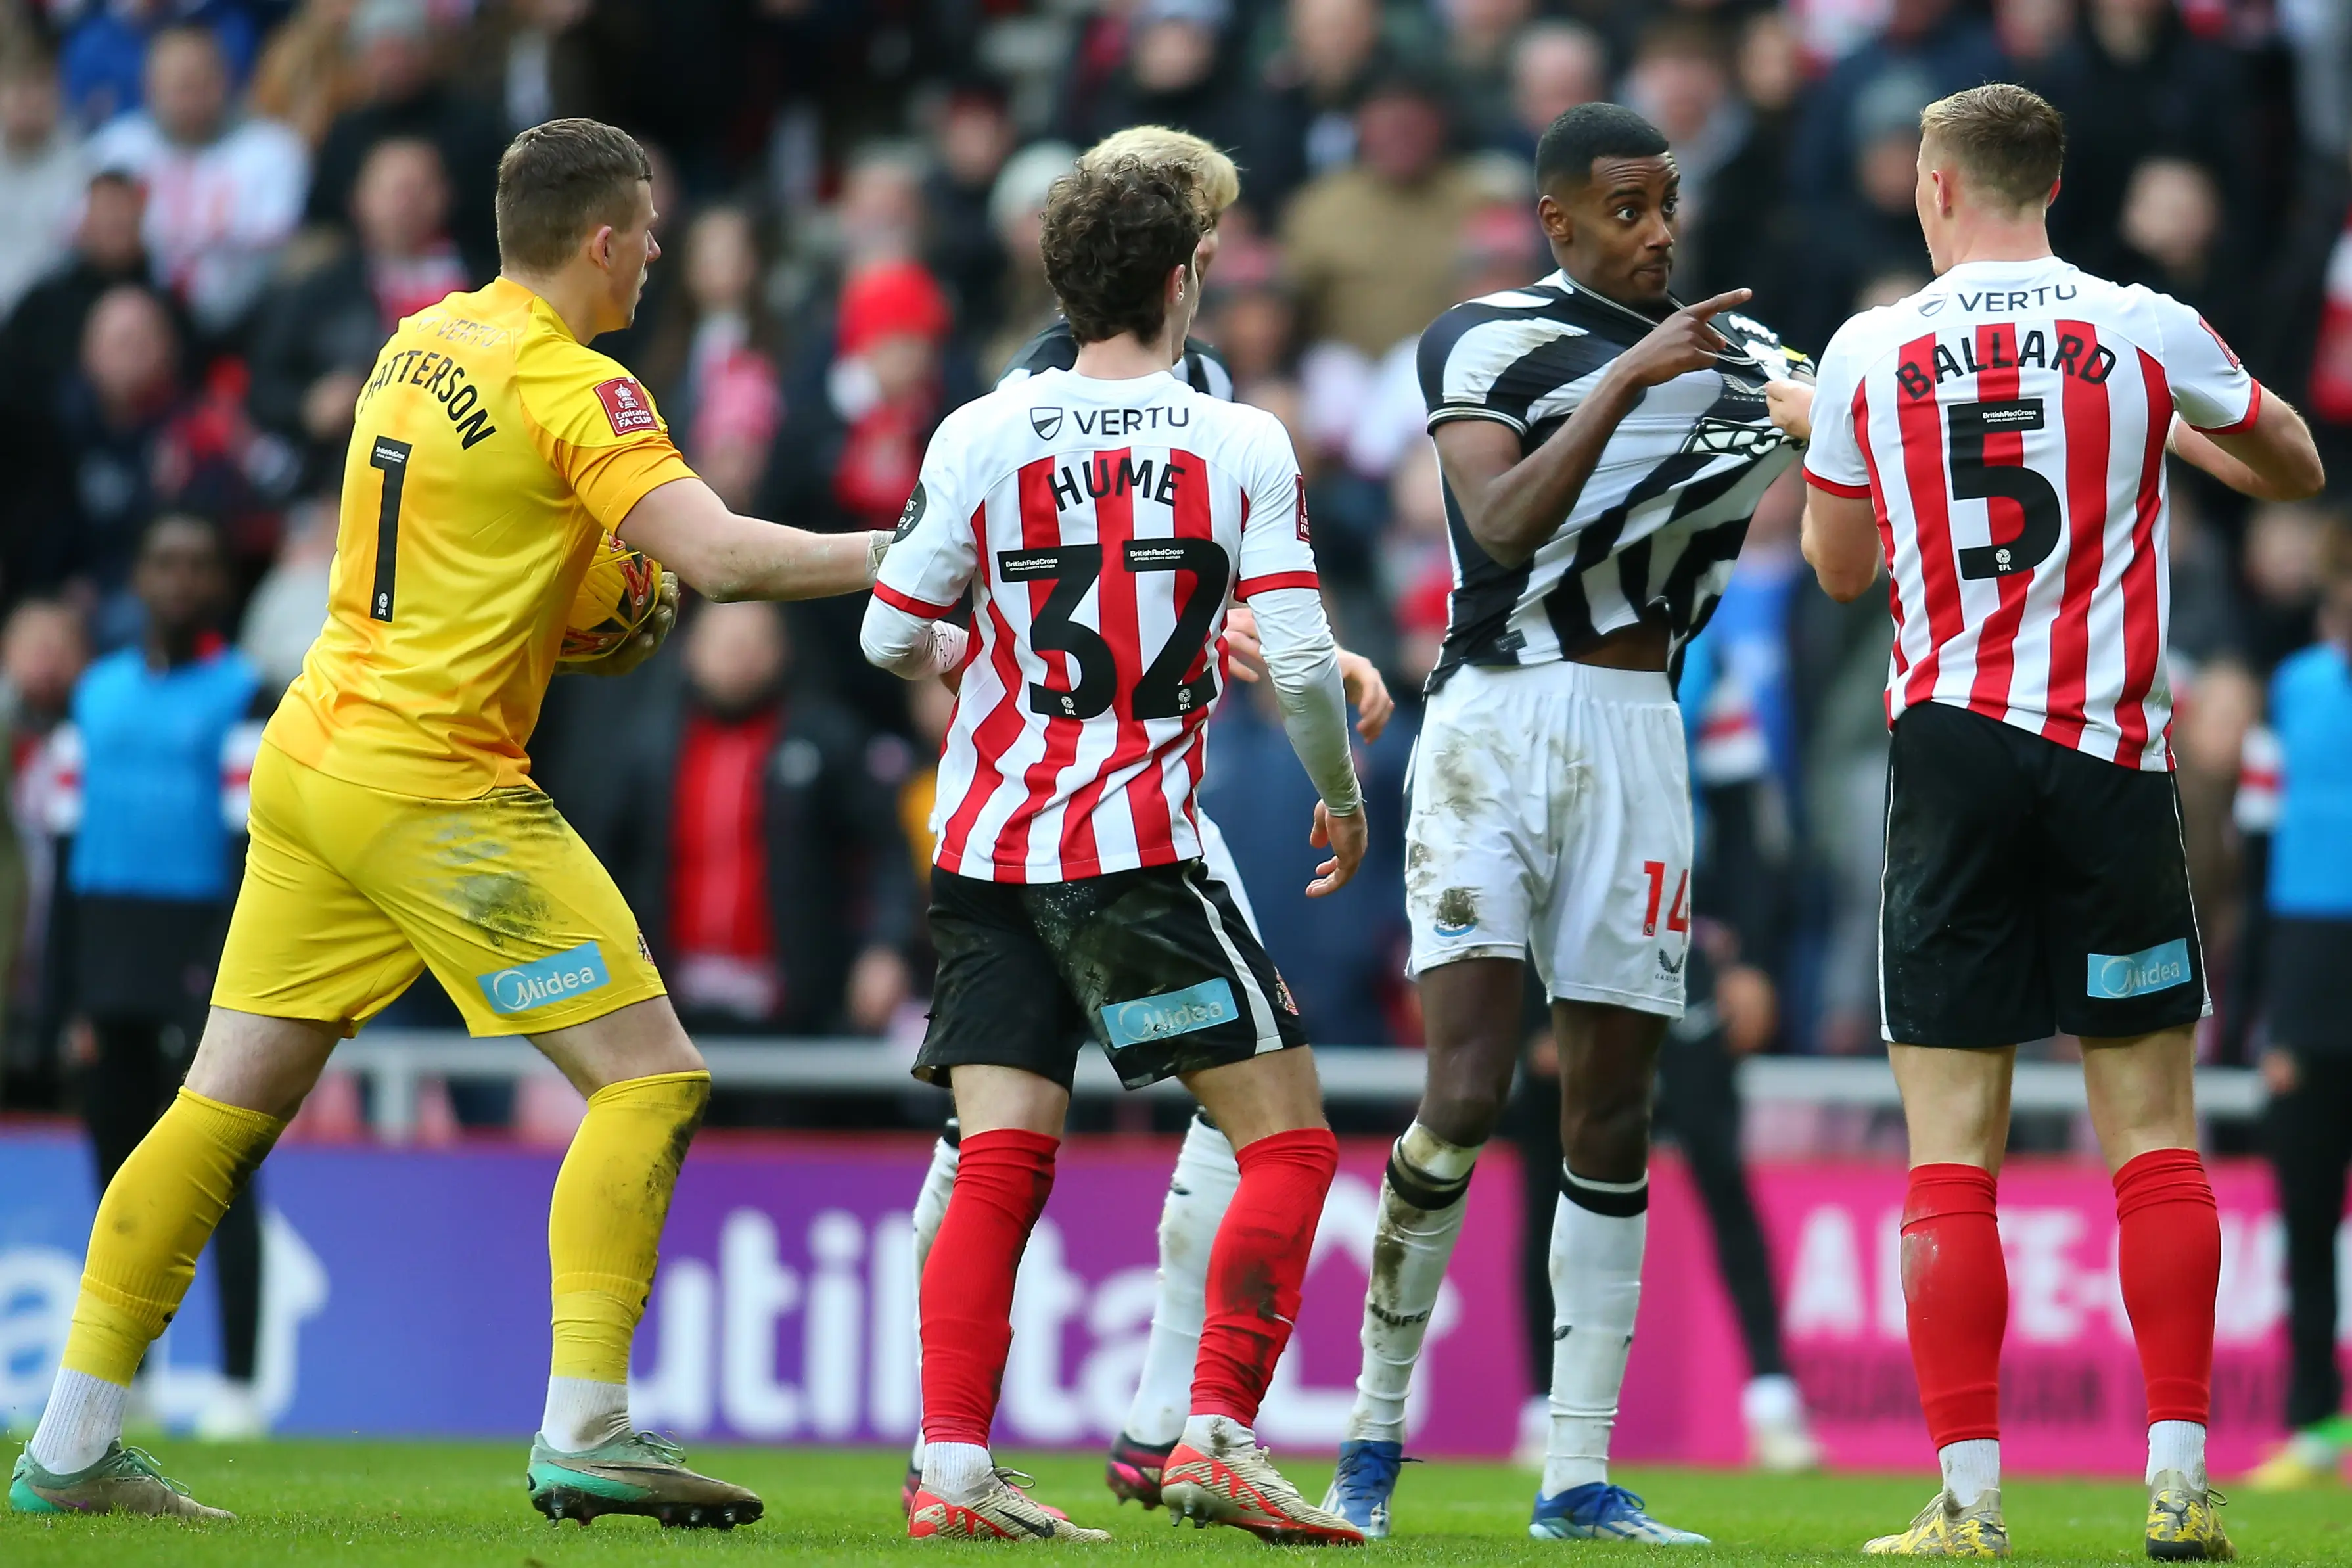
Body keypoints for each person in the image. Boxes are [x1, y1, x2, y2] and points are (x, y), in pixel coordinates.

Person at [9, 116, 893, 1524]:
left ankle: (67, 1444)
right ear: (601, 240)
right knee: (650, 1077)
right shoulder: (577, 384)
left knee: (218, 1106)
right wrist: (907, 557)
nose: (659, 250)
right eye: (648, 229)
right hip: (435, 782)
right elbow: (718, 556)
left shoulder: (415, 340)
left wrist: (589, 605)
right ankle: (588, 1423)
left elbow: (481, 560)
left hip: (314, 758)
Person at [1772, 82, 2323, 1558]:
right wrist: (2170, 441)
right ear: (2052, 184)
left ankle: (1967, 1501)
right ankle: (2178, 1478)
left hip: (1949, 754)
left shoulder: (1871, 349)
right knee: (2151, 1130)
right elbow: (2295, 466)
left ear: (1934, 187)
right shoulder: (2143, 325)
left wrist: (1835, 437)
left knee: (1951, 1150)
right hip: (2110, 760)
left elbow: (1836, 572)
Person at [1322, 101, 1809, 1545]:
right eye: (1626, 206)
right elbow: (1506, 520)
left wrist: (1812, 404)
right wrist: (1625, 377)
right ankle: (1369, 1433)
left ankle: (1576, 1476)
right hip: (1494, 720)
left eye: (1666, 200)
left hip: (1641, 727)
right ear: (1558, 221)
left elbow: (1831, 434)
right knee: (1467, 1090)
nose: (1659, 228)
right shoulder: (1480, 341)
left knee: (1613, 1110)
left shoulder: (1750, 354)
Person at [863, 154, 1368, 1545]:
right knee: (1290, 1143)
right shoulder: (1237, 438)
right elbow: (1308, 655)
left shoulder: (982, 428)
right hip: (1134, 852)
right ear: (1180, 278)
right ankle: (1211, 1431)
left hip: (982, 847)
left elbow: (888, 634)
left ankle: (952, 1471)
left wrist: (990, 659)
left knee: (1001, 1157)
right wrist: (1337, 791)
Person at [51, 515, 267, 1441]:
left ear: (220, 583)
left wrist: (228, 972)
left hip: (199, 945)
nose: (181, 580)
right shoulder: (93, 694)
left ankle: (241, 1382)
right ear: (137, 574)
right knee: (119, 1180)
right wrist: (61, 998)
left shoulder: (244, 691)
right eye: (165, 562)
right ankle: (126, 1381)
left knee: (220, 1173)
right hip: (107, 952)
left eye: (199, 564)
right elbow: (63, 853)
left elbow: (250, 844)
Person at [2235, 518, 2352, 1491]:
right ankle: (2312, 1422)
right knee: (2305, 1218)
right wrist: (2258, 1015)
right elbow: (2259, 852)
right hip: (2310, 985)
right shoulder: (2292, 692)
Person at [84, 24, 308, 344]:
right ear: (149, 86)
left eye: (201, 80)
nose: (190, 95)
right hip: (143, 318)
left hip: (253, 320)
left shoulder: (273, 150)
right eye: (179, 83)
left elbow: (275, 254)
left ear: (226, 80)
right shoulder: (115, 151)